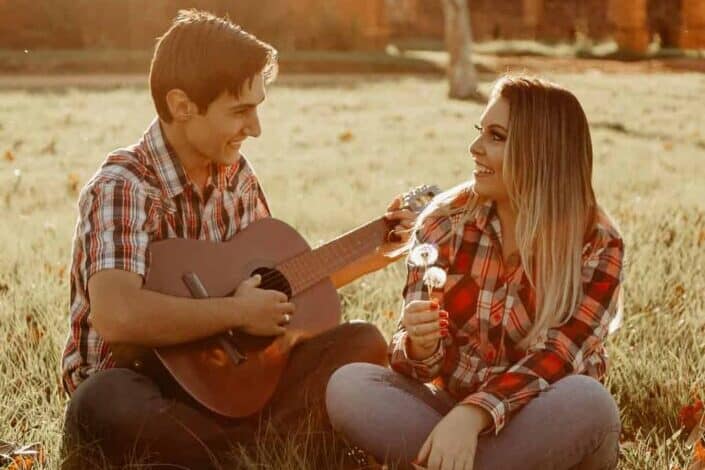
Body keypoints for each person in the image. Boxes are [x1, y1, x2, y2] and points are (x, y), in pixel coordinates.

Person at [59, 10, 415, 469]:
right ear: (182, 106)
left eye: (257, 108)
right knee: (101, 403)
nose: (256, 127)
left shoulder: (235, 175)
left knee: (361, 342)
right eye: (241, 111)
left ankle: (226, 451)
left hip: (230, 382)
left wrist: (378, 247)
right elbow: (118, 316)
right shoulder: (124, 186)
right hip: (144, 385)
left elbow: (279, 284)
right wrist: (237, 312)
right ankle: (263, 446)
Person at [326, 75, 625, 470]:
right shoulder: (443, 222)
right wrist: (419, 345)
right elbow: (413, 368)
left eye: (496, 136)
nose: (474, 149)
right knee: (349, 386)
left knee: (591, 404)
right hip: (445, 415)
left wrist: (474, 415)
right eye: (479, 132)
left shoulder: (597, 241)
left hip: (540, 419)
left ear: (542, 151)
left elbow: (560, 357)